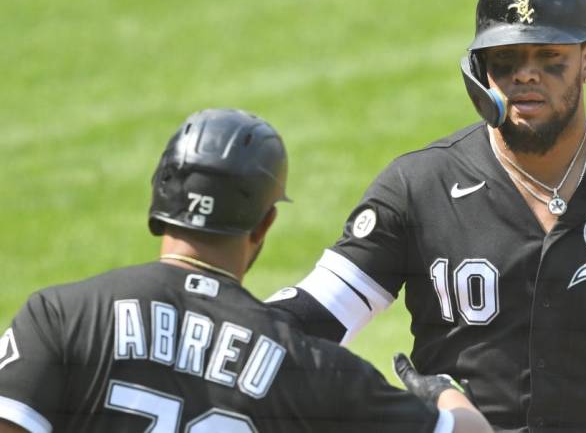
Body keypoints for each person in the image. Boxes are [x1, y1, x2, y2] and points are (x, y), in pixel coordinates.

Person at [265, 0, 586, 432]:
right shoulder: (420, 186)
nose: (526, 75)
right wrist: (224, 315)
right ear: (479, 69)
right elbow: (320, 311)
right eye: (505, 59)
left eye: (550, 58)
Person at [0, 109, 492, 433]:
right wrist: (446, 395)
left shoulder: (60, 317)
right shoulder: (307, 364)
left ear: (159, 200)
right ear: (265, 223)